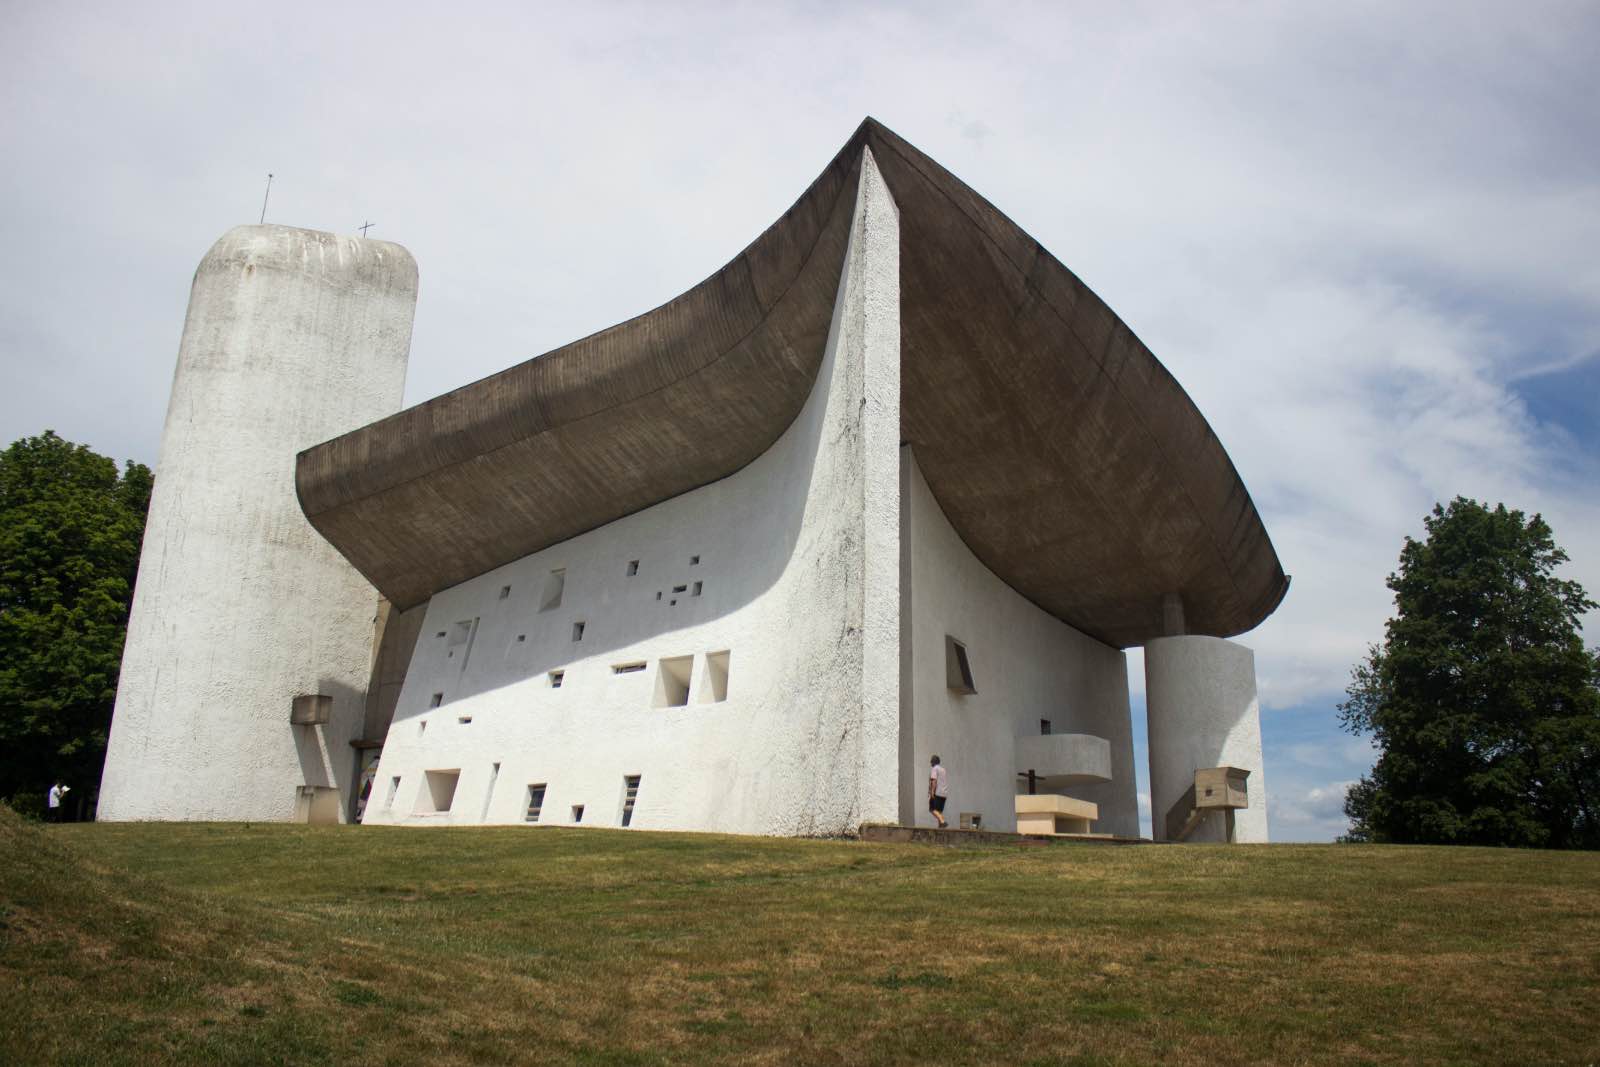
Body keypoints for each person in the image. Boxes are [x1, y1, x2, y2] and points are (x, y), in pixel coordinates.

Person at [928, 755, 949, 828]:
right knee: (939, 811)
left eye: (931, 761)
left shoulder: (934, 769)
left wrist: (932, 792)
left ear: (933, 762)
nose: (930, 763)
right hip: (944, 793)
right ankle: (940, 828)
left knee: (932, 809)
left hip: (937, 792)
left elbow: (934, 780)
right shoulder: (943, 770)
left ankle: (942, 820)